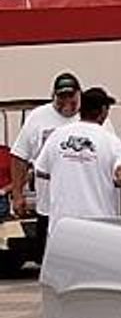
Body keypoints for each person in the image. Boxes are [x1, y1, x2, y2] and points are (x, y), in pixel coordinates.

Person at [19, 88, 120, 318]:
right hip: (98, 225)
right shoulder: (110, 140)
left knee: (59, 279)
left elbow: (40, 171)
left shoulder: (58, 136)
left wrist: (69, 170)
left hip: (62, 225)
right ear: (103, 112)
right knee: (97, 279)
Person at [10, 72, 82, 264]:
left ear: (79, 95)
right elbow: (19, 156)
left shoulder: (90, 116)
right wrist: (17, 195)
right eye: (61, 97)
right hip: (48, 207)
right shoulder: (38, 117)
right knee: (49, 262)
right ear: (53, 96)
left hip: (84, 207)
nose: (67, 101)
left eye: (71, 96)